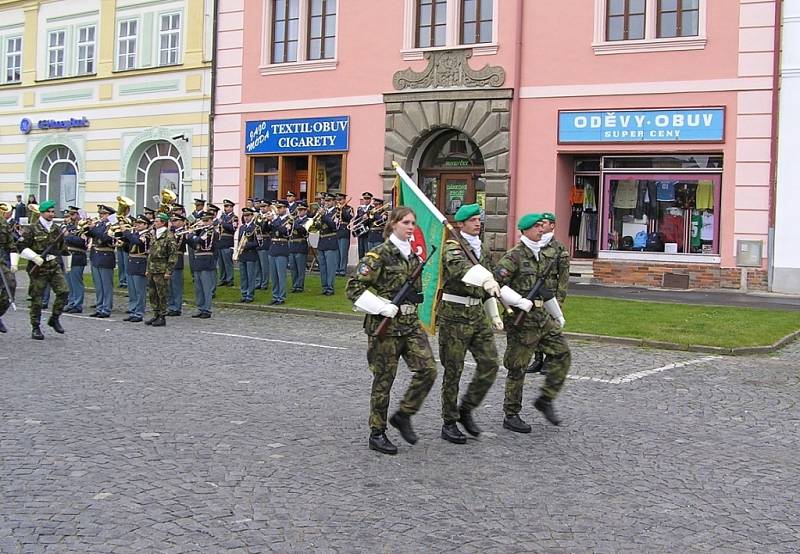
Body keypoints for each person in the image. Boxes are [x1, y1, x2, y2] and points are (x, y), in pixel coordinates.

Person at [346, 207, 438, 455]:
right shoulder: (379, 255)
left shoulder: (414, 257)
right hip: (384, 328)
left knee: (428, 370)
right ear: (393, 224)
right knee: (383, 381)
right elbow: (353, 288)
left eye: (413, 223)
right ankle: (377, 432)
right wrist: (380, 306)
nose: (411, 227)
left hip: (409, 325)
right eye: (406, 222)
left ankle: (404, 414)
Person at [495, 213, 571, 431]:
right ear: (525, 230)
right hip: (522, 321)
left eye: (542, 226)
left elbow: (545, 289)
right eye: (536, 227)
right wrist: (518, 301)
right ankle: (511, 414)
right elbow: (496, 283)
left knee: (562, 354)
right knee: (517, 368)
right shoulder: (514, 256)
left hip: (542, 317)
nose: (541, 229)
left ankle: (545, 399)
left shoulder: (543, 255)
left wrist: (557, 313)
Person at [437, 203, 503, 444]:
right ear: (460, 224)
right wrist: (486, 280)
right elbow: (461, 271)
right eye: (473, 220)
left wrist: (494, 314)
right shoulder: (453, 247)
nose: (478, 223)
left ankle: (466, 408)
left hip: (477, 315)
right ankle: (449, 421)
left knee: (490, 363)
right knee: (453, 370)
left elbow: (489, 284)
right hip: (454, 315)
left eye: (479, 219)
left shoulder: (481, 247)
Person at [18, 200, 69, 340]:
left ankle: (54, 318)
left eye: (53, 212)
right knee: (37, 299)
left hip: (53, 265)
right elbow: (20, 246)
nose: (52, 214)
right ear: (42, 212)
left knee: (64, 291)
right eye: (49, 212)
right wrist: (34, 257)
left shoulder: (57, 229)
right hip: (38, 267)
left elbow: (62, 248)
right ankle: (35, 327)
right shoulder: (32, 229)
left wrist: (66, 264)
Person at [527, 211, 571, 375]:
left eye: (544, 223)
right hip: (534, 294)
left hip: (550, 294)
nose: (541, 226)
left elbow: (564, 278)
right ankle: (537, 359)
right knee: (535, 327)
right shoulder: (534, 245)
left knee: (551, 329)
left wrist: (559, 300)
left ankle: (550, 360)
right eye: (539, 224)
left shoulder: (559, 248)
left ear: (552, 225)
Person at [145, 213, 178, 326]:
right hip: (152, 268)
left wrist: (169, 271)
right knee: (152, 293)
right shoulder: (154, 234)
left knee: (162, 293)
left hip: (162, 268)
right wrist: (147, 268)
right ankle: (155, 314)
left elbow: (173, 255)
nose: (155, 223)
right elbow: (150, 254)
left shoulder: (169, 236)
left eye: (157, 221)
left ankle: (162, 316)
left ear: (163, 222)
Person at [86, 205, 117, 318]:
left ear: (109, 215)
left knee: (106, 285)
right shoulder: (99, 224)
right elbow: (89, 234)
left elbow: (106, 238)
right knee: (98, 285)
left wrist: (93, 228)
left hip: (106, 256)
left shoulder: (113, 226)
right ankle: (99, 307)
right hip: (96, 256)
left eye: (103, 214)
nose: (101, 216)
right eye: (100, 214)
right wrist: (88, 227)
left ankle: (106, 308)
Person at [119, 215, 152, 323]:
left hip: (140, 263)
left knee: (139, 291)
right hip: (131, 262)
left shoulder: (147, 234)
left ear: (146, 225)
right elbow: (129, 247)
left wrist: (127, 233)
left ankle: (139, 313)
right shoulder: (135, 234)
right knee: (132, 290)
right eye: (136, 223)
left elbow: (138, 242)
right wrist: (123, 242)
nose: (136, 225)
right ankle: (133, 310)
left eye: (140, 223)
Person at [186, 212, 218, 318]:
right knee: (198, 288)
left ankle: (207, 309)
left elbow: (201, 241)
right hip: (198, 260)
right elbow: (195, 245)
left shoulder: (211, 232)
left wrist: (191, 235)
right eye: (203, 221)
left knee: (206, 287)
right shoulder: (202, 231)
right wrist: (188, 237)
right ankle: (200, 308)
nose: (203, 223)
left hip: (206, 260)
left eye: (206, 221)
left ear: (211, 221)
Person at [63, 206, 88, 313]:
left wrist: (68, 237)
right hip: (68, 255)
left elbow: (82, 242)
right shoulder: (69, 226)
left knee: (76, 281)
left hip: (78, 256)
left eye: (73, 214)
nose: (71, 217)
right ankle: (71, 302)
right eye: (70, 215)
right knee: (69, 281)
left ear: (78, 215)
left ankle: (77, 304)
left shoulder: (84, 226)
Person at [0, 202, 19, 333]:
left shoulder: (4, 224)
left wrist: (14, 263)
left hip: (1, 262)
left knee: (11, 283)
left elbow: (11, 244)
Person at [268, 200, 291, 304]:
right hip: (273, 248)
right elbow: (266, 229)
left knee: (281, 275)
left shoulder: (289, 220)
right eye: (277, 208)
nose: (278, 210)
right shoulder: (275, 220)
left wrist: (272, 221)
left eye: (280, 208)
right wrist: (267, 221)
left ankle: (281, 297)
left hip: (282, 248)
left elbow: (284, 231)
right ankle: (274, 296)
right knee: (273, 276)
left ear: (285, 208)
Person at [316, 193, 339, 296]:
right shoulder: (322, 213)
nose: (327, 203)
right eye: (325, 201)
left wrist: (324, 215)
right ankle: (324, 287)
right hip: (321, 242)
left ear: (334, 201)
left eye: (329, 201)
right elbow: (316, 227)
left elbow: (334, 225)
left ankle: (330, 288)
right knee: (323, 267)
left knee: (330, 268)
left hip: (330, 242)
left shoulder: (337, 212)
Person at [236, 207, 259, 303]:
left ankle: (250, 295)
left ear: (252, 216)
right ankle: (244, 293)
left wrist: (246, 245)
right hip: (242, 255)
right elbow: (239, 241)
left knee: (250, 276)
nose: (246, 218)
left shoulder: (256, 228)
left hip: (250, 254)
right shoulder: (242, 228)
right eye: (245, 216)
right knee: (243, 276)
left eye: (248, 215)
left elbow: (257, 242)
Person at [167, 214, 187, 316]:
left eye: (176, 220)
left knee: (176, 285)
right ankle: (170, 306)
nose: (173, 222)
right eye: (172, 221)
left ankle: (176, 307)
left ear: (182, 221)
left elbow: (176, 246)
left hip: (177, 260)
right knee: (169, 285)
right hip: (168, 260)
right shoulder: (172, 232)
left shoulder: (183, 232)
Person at [288, 202, 309, 292]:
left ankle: (299, 286)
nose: (299, 212)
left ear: (305, 211)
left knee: (300, 268)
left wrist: (294, 224)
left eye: (301, 210)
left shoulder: (308, 220)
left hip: (301, 245)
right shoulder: (294, 220)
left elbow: (303, 230)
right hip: (292, 245)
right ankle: (294, 285)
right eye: (299, 210)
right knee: (293, 268)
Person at [217, 199, 238, 287]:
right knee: (221, 263)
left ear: (231, 207)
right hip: (220, 241)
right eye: (225, 206)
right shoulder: (222, 216)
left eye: (227, 206)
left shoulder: (234, 217)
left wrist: (223, 223)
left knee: (228, 263)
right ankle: (222, 279)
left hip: (228, 242)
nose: (225, 208)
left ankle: (229, 280)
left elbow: (233, 228)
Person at [335, 193, 353, 276]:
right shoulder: (335, 208)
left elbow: (349, 217)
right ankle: (337, 269)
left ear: (344, 200)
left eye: (341, 200)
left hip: (344, 231)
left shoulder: (349, 208)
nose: (339, 201)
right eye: (338, 200)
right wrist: (338, 210)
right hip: (337, 231)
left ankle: (342, 269)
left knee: (343, 252)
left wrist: (342, 211)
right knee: (337, 252)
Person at [256, 201, 272, 290]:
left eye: (264, 206)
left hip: (265, 241)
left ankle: (264, 283)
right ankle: (258, 282)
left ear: (269, 207)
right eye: (261, 206)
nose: (262, 208)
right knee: (257, 265)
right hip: (258, 241)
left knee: (264, 265)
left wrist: (266, 220)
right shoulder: (258, 216)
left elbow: (264, 228)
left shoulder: (270, 217)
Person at [355, 192, 373, 260]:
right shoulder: (360, 209)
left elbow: (372, 220)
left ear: (370, 200)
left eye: (368, 198)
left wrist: (367, 218)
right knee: (360, 251)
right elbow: (357, 218)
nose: (366, 200)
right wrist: (355, 226)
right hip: (360, 232)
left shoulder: (372, 209)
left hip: (368, 232)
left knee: (367, 250)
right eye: (365, 198)